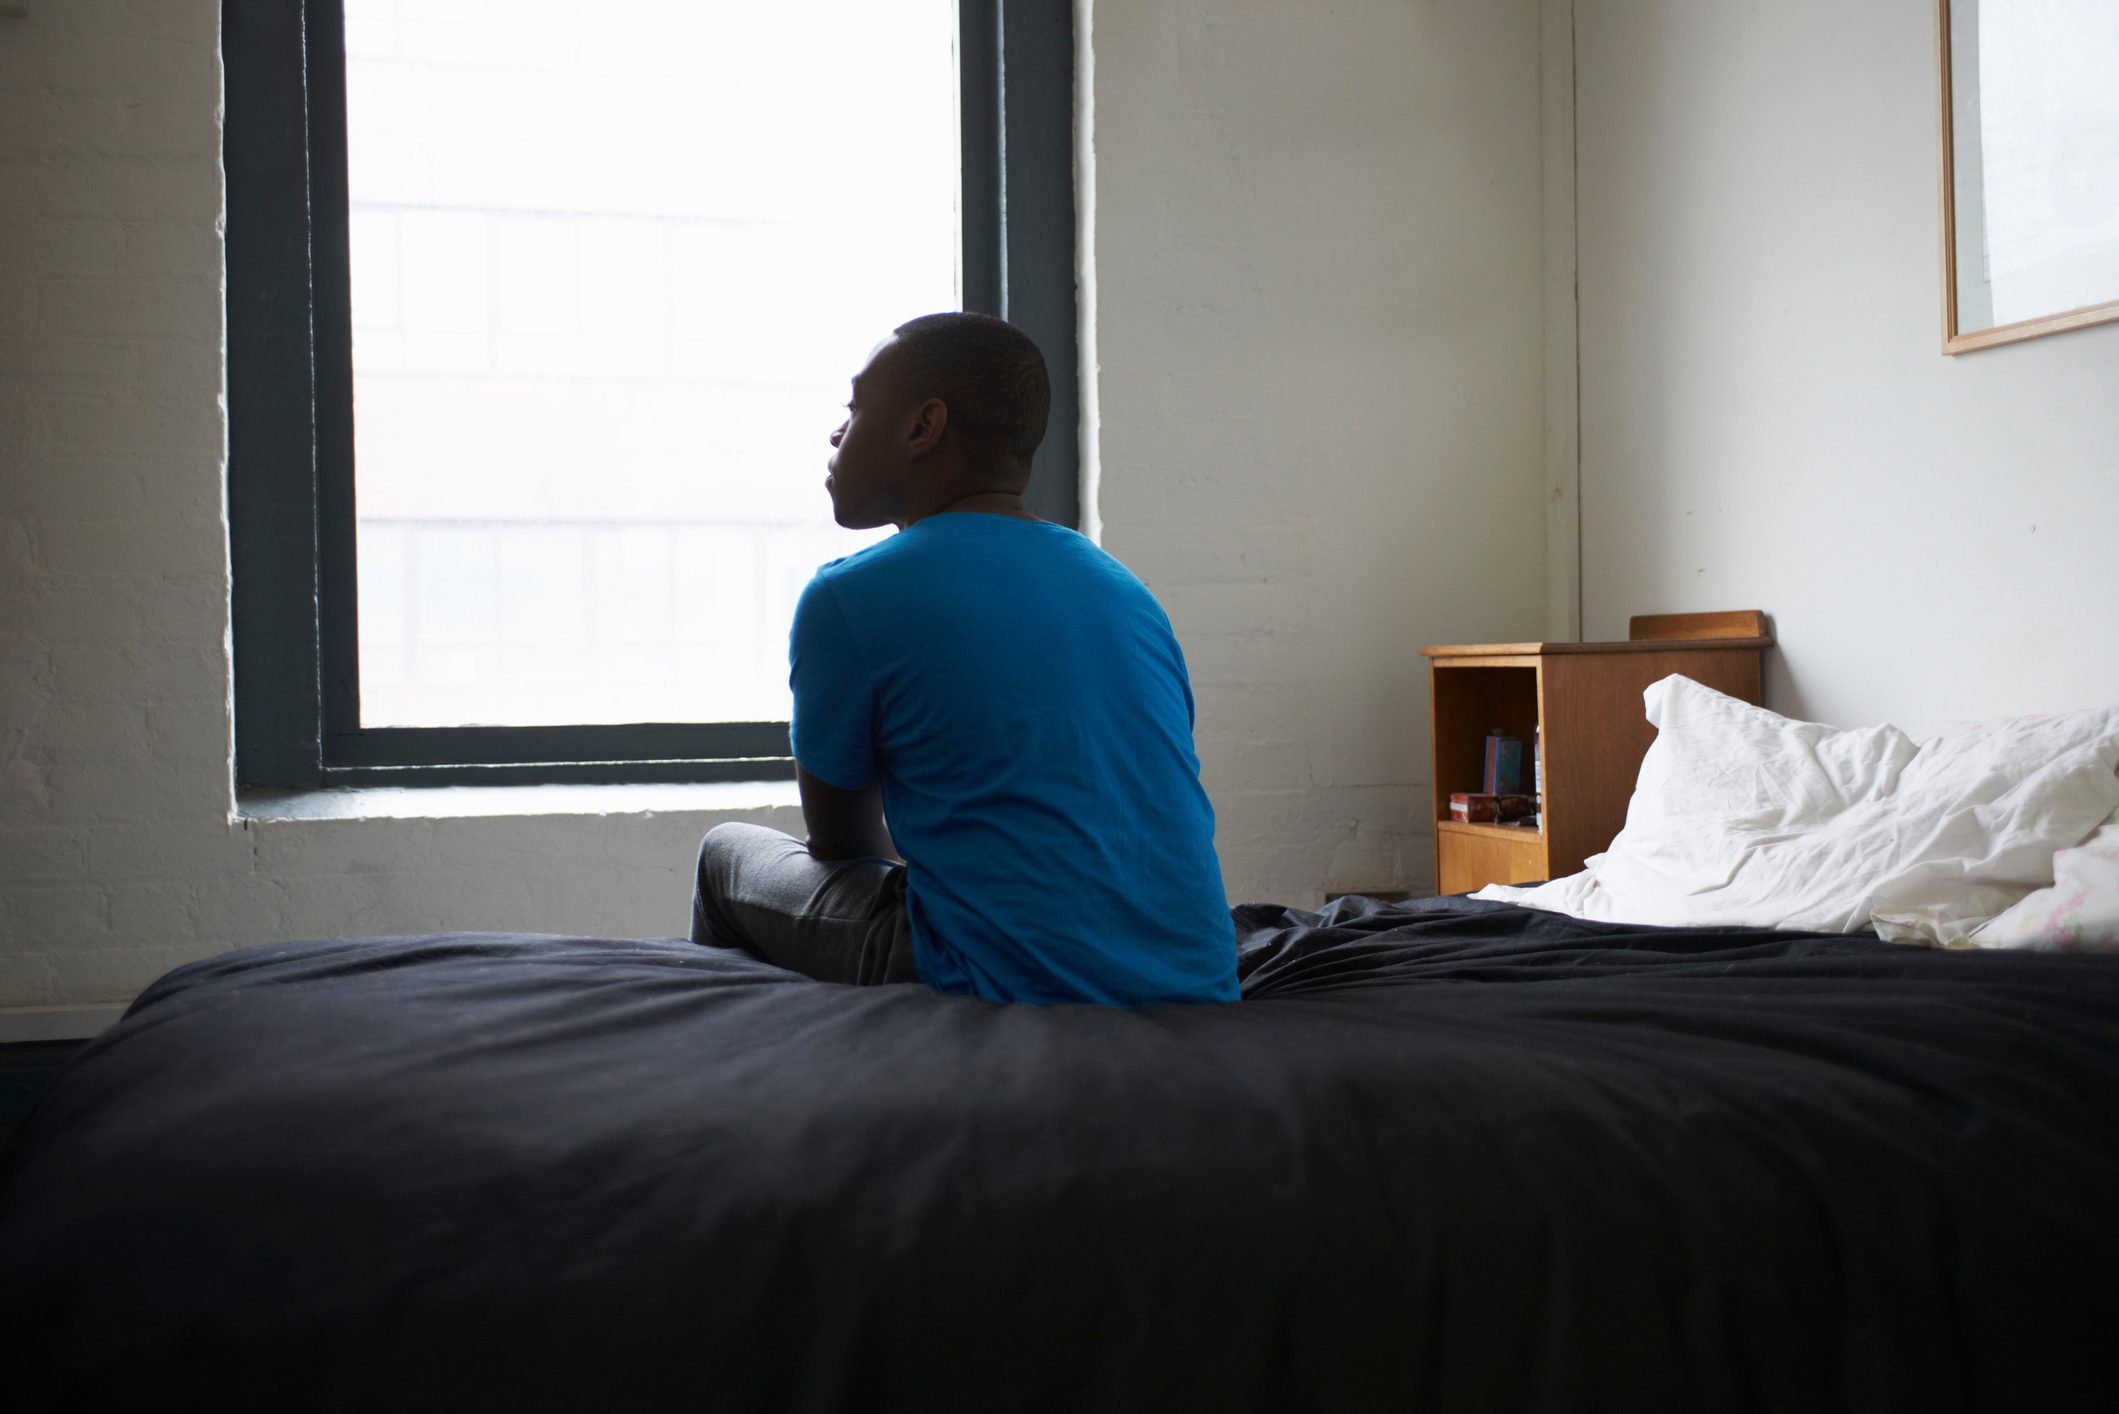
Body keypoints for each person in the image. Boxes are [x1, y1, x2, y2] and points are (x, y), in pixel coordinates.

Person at [690, 312, 1237, 1006]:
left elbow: (841, 843)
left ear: (923, 427)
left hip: (999, 980)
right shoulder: (1121, 589)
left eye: (855, 409)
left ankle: (737, 1071)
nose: (836, 433)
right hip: (1197, 985)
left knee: (724, 856)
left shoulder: (851, 595)